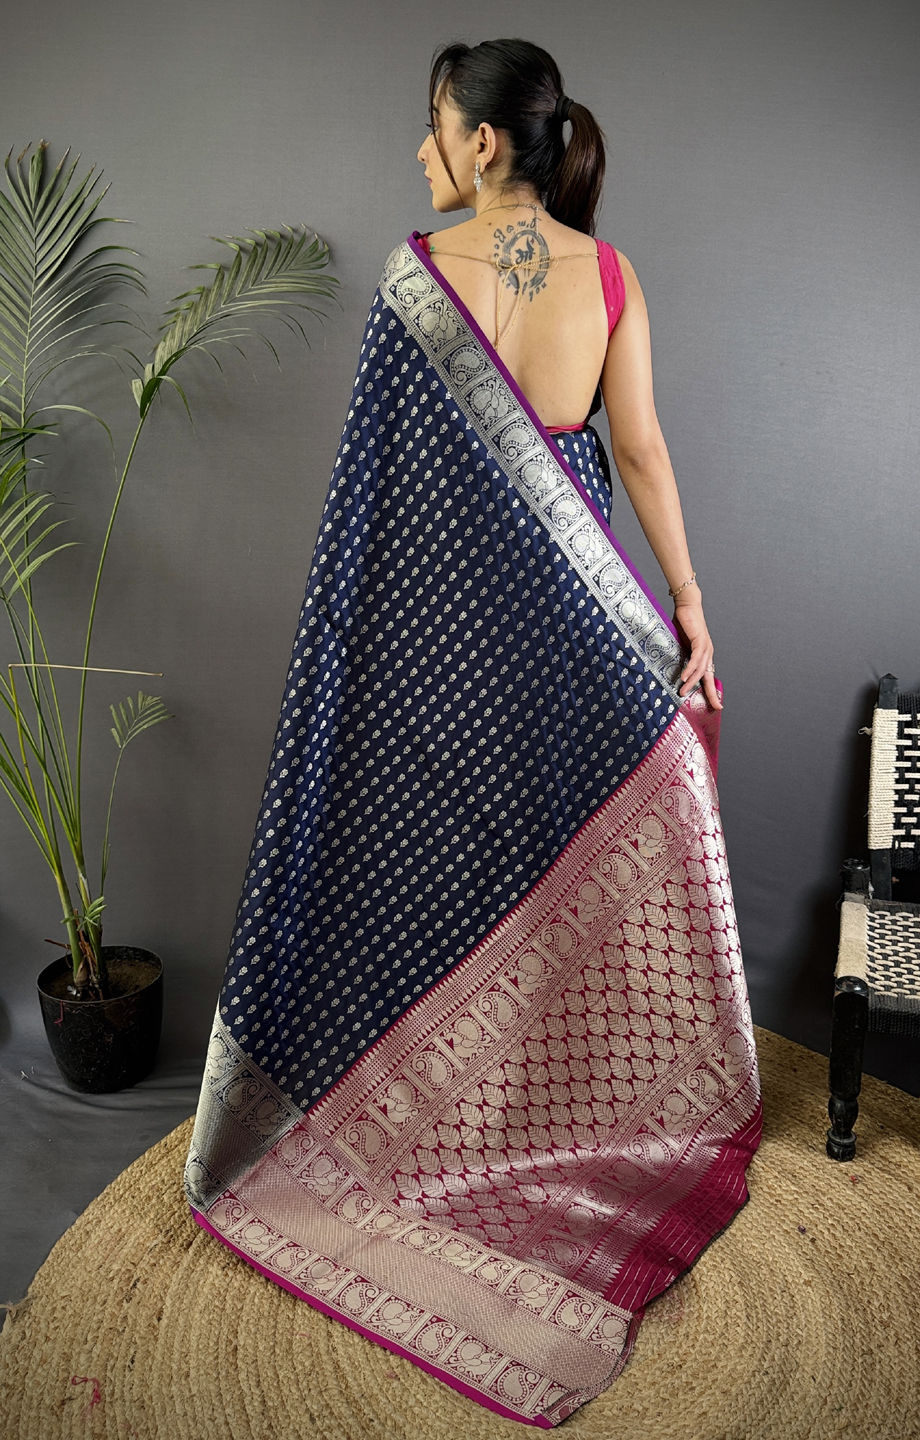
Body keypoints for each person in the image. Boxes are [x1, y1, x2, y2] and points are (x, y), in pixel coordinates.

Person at [185, 38, 761, 1427]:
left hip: (445, 667)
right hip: (581, 653)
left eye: (434, 126)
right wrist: (690, 611)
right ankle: (551, 1111)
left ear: (485, 141)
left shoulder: (414, 280)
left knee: (453, 883)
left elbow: (373, 510)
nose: (422, 151)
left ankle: (440, 1122)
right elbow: (640, 454)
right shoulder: (608, 277)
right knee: (556, 887)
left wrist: (364, 668)